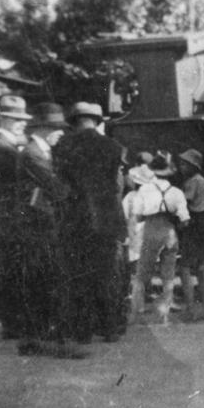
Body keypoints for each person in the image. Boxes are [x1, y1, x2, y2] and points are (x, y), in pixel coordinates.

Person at [54, 102, 127, 344]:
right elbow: (116, 187)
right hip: (106, 220)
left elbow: (59, 186)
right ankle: (110, 328)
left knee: (78, 275)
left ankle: (82, 331)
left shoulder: (63, 146)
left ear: (74, 122)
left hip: (75, 220)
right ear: (97, 120)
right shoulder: (114, 147)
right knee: (107, 274)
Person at [17, 102, 73, 355]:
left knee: (42, 280)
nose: (60, 132)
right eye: (56, 128)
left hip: (42, 224)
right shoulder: (33, 154)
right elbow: (56, 188)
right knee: (45, 279)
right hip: (39, 226)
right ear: (43, 129)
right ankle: (46, 340)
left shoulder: (41, 152)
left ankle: (34, 339)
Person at [0, 95, 32, 343]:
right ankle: (14, 325)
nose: (22, 124)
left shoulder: (5, 144)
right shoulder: (5, 148)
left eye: (23, 119)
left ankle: (12, 324)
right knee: (13, 271)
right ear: (3, 119)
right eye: (16, 119)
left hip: (4, 218)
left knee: (11, 270)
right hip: (9, 219)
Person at [132, 150, 190, 324]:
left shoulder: (144, 189)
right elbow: (185, 220)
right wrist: (174, 225)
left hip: (151, 230)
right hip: (170, 231)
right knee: (168, 274)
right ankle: (164, 313)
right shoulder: (176, 192)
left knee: (142, 273)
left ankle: (137, 311)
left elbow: (138, 216)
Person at [177, 148, 204, 321]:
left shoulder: (192, 181)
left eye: (185, 164)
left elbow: (185, 200)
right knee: (200, 266)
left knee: (184, 267)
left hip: (193, 224)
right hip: (203, 223)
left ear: (193, 166)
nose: (181, 167)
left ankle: (190, 309)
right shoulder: (203, 180)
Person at [122, 161, 154, 323]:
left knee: (135, 274)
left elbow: (129, 218)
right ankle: (140, 304)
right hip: (147, 236)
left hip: (135, 236)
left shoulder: (130, 198)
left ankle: (137, 306)